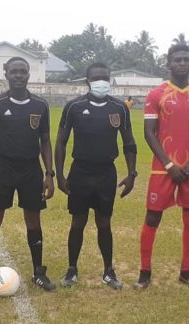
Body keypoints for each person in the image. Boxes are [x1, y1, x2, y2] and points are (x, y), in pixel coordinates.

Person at [0, 56, 57, 292]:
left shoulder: (40, 105)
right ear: (6, 74)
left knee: (33, 220)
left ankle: (38, 272)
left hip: (30, 169)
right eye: (14, 71)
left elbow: (45, 141)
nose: (18, 75)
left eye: (22, 71)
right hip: (2, 168)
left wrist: (49, 174)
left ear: (29, 75)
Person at [134, 44, 189, 290]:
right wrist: (169, 164)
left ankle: (186, 272)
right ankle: (145, 272)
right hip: (163, 168)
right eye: (177, 60)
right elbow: (149, 133)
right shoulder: (156, 94)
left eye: (185, 59)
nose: (181, 63)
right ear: (168, 63)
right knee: (152, 217)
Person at [55, 62, 137, 289]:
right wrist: (60, 175)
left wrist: (132, 174)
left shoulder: (120, 108)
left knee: (104, 222)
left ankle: (109, 271)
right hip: (80, 172)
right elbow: (61, 142)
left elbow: (129, 142)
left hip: (105, 173)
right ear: (87, 81)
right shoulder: (74, 107)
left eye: (105, 77)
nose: (102, 81)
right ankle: (71, 269)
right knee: (78, 221)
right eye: (97, 78)